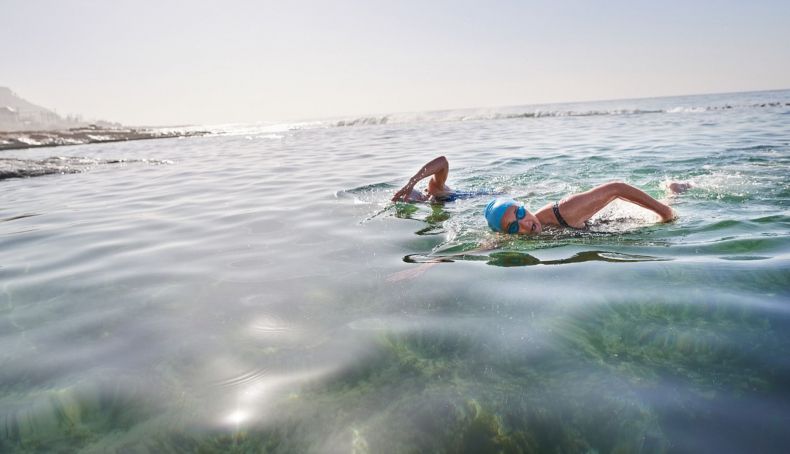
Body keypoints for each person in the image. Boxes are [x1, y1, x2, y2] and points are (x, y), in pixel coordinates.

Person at [392, 156, 689, 234]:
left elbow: (617, 187)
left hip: (577, 219)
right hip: (592, 226)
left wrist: (666, 214)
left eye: (520, 214)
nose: (523, 224)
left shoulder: (436, 192)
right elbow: (482, 247)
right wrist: (431, 264)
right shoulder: (515, 231)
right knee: (632, 219)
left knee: (651, 214)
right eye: (513, 226)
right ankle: (672, 193)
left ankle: (671, 196)